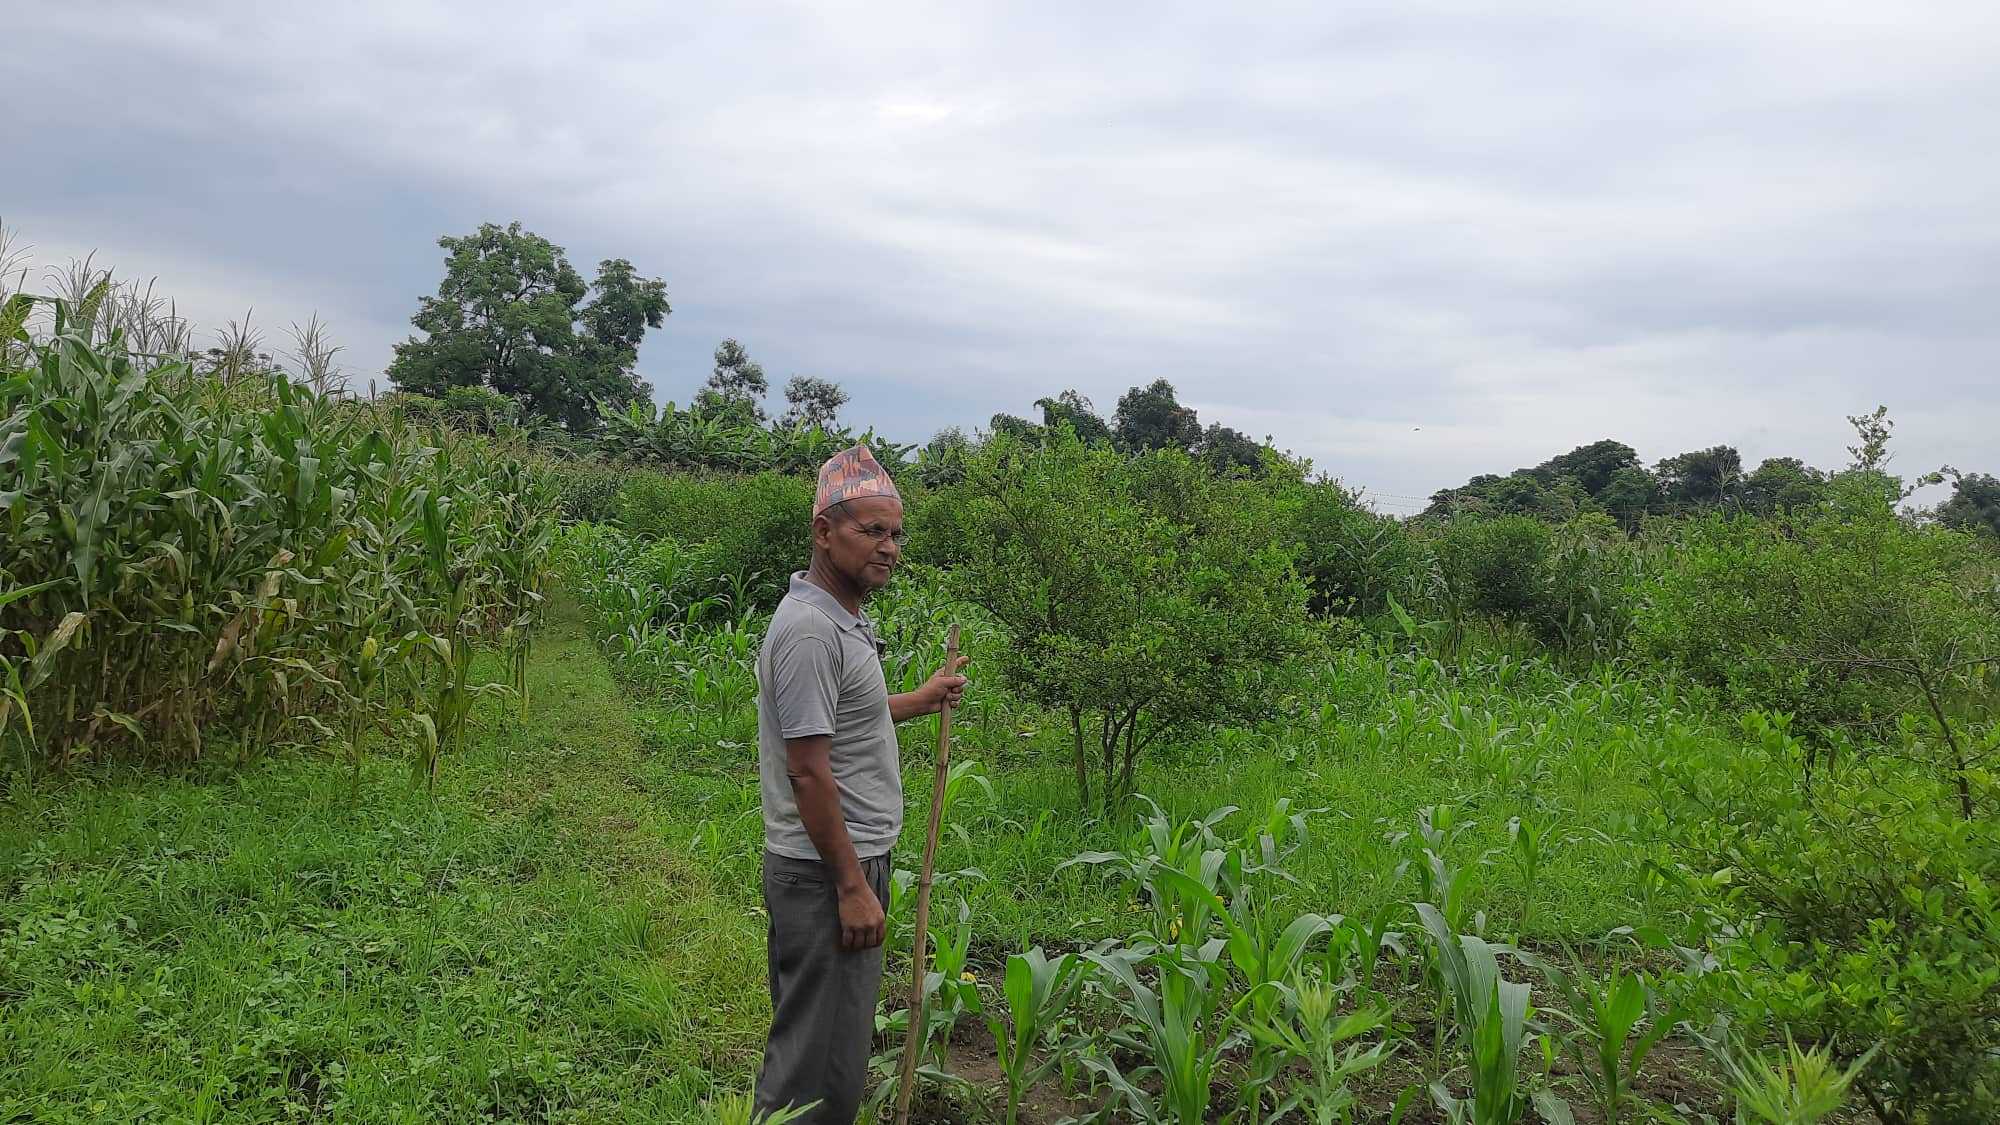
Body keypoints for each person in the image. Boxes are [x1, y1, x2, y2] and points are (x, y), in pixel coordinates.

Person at [753, 444, 968, 1125]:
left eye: (896, 532)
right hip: (826, 873)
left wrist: (923, 697)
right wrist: (850, 885)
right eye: (871, 530)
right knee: (809, 1073)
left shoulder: (839, 619)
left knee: (835, 1062)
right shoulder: (813, 630)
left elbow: (846, 721)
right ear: (823, 532)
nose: (889, 547)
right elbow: (809, 769)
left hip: (844, 864)